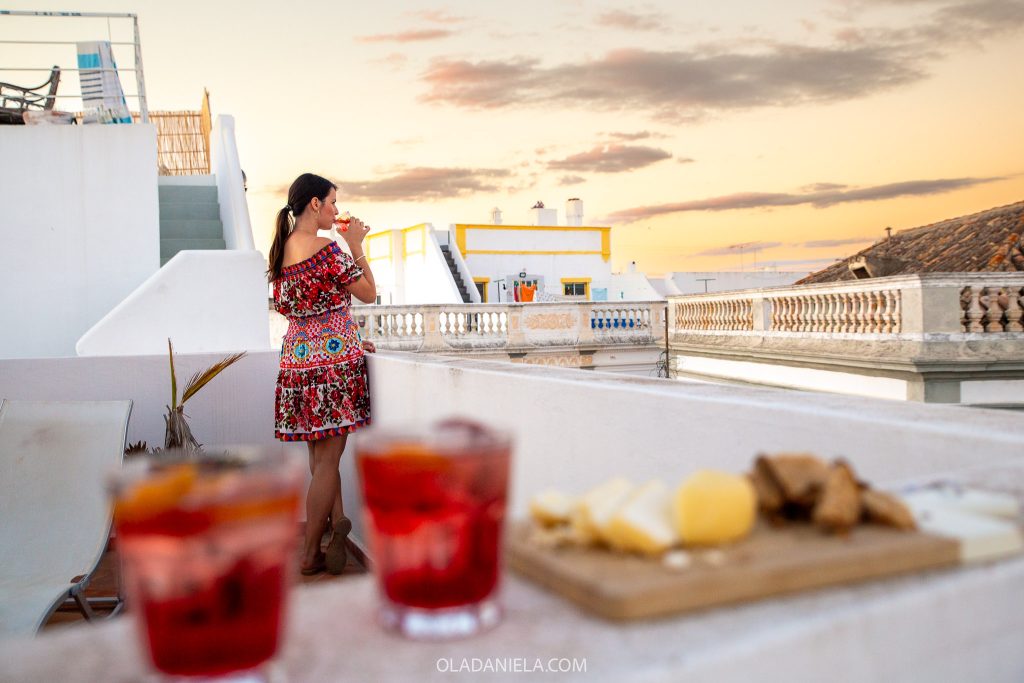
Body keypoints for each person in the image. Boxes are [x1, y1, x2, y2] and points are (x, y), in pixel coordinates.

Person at [268, 173, 377, 575]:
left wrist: (348, 337)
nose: (335, 209)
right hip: (332, 366)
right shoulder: (329, 250)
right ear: (314, 204)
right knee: (329, 462)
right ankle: (310, 553)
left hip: (297, 360)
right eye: (332, 202)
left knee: (318, 460)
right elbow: (368, 293)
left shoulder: (281, 252)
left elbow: (299, 309)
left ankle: (336, 526)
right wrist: (356, 246)